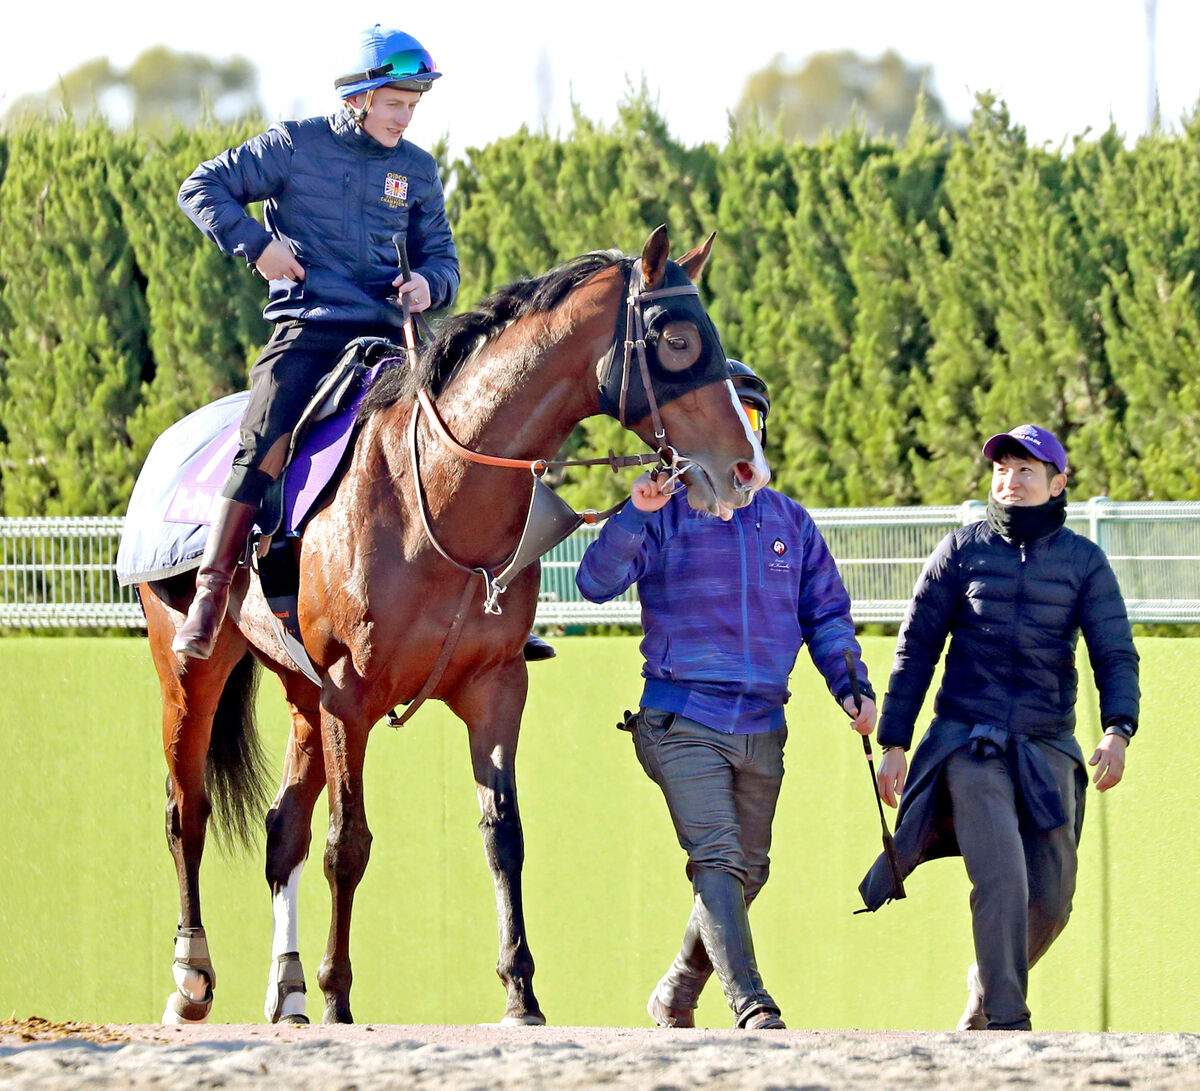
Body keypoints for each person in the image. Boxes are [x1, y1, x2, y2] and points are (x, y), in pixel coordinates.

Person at [576, 359, 877, 1030]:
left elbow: (825, 616)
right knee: (716, 856)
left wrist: (850, 683)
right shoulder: (663, 513)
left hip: (763, 724)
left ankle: (677, 991)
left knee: (748, 870)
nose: (734, 428)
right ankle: (751, 1001)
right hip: (679, 718)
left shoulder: (791, 523)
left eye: (748, 417)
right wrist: (632, 512)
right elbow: (593, 583)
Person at [171, 25, 459, 659]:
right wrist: (257, 245)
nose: (405, 117)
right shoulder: (293, 145)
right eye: (395, 104)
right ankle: (212, 590)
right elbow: (201, 189)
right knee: (266, 427)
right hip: (309, 325)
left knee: (468, 426)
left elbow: (445, 261)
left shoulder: (417, 169)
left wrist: (428, 285)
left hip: (391, 338)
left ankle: (484, 602)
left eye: (414, 105)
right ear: (358, 97)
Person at [860, 424, 1140, 1031]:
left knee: (1052, 903)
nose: (1009, 482)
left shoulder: (1085, 562)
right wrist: (895, 743)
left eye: (1025, 471)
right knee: (1003, 880)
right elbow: (916, 651)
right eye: (1001, 471)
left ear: (1057, 483)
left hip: (1047, 746)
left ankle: (987, 984)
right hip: (969, 742)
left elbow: (1114, 653)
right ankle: (1007, 1025)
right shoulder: (960, 552)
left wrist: (1118, 730)